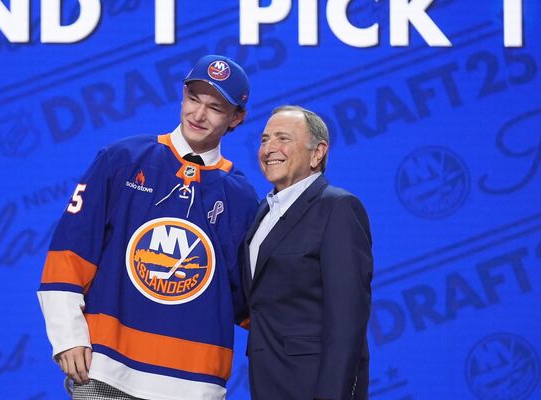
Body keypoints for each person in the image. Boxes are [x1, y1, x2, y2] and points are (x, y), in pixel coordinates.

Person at [37, 55, 259, 400]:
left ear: (236, 118)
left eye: (215, 107)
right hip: (106, 370)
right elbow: (70, 252)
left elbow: (250, 298)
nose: (198, 115)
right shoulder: (122, 159)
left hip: (193, 385)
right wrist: (68, 337)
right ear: (182, 96)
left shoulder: (242, 197)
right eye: (193, 99)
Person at [242, 105, 373, 400]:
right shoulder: (263, 211)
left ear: (318, 153)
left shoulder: (337, 208)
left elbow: (347, 321)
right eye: (264, 140)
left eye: (283, 138)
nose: (269, 149)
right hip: (266, 382)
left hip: (313, 386)